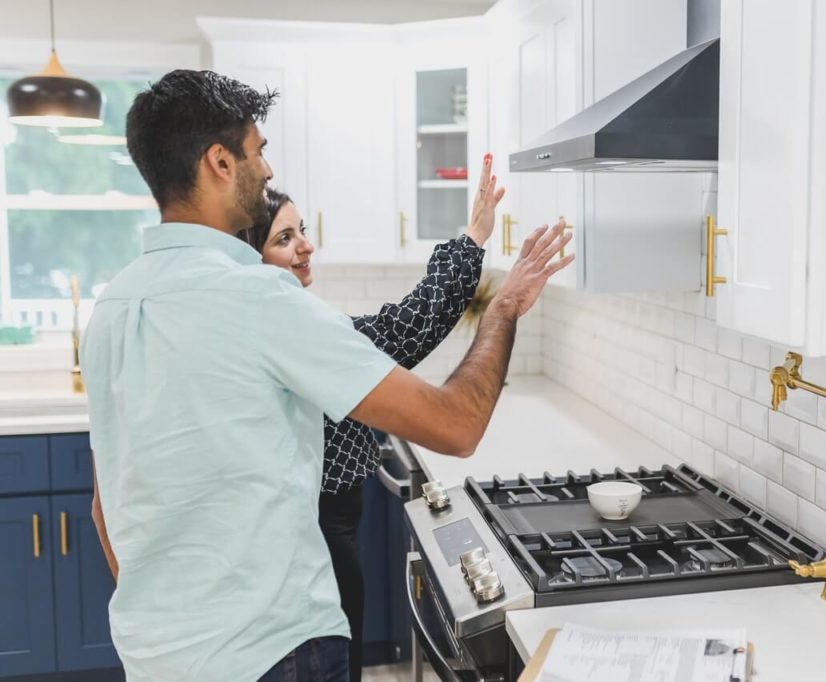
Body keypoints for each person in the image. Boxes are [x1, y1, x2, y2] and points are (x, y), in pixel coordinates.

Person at [82, 68, 571, 682]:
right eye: (257, 151)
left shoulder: (110, 307)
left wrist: (175, 625)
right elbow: (458, 425)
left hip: (157, 659)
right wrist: (501, 308)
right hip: (274, 652)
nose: (265, 171)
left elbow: (106, 506)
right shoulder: (260, 299)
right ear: (219, 163)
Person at [237, 183, 496, 682]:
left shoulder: (276, 324)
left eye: (302, 231)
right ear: (252, 259)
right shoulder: (291, 331)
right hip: (318, 537)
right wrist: (474, 238)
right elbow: (407, 327)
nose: (305, 245)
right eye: (284, 238)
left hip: (320, 531)